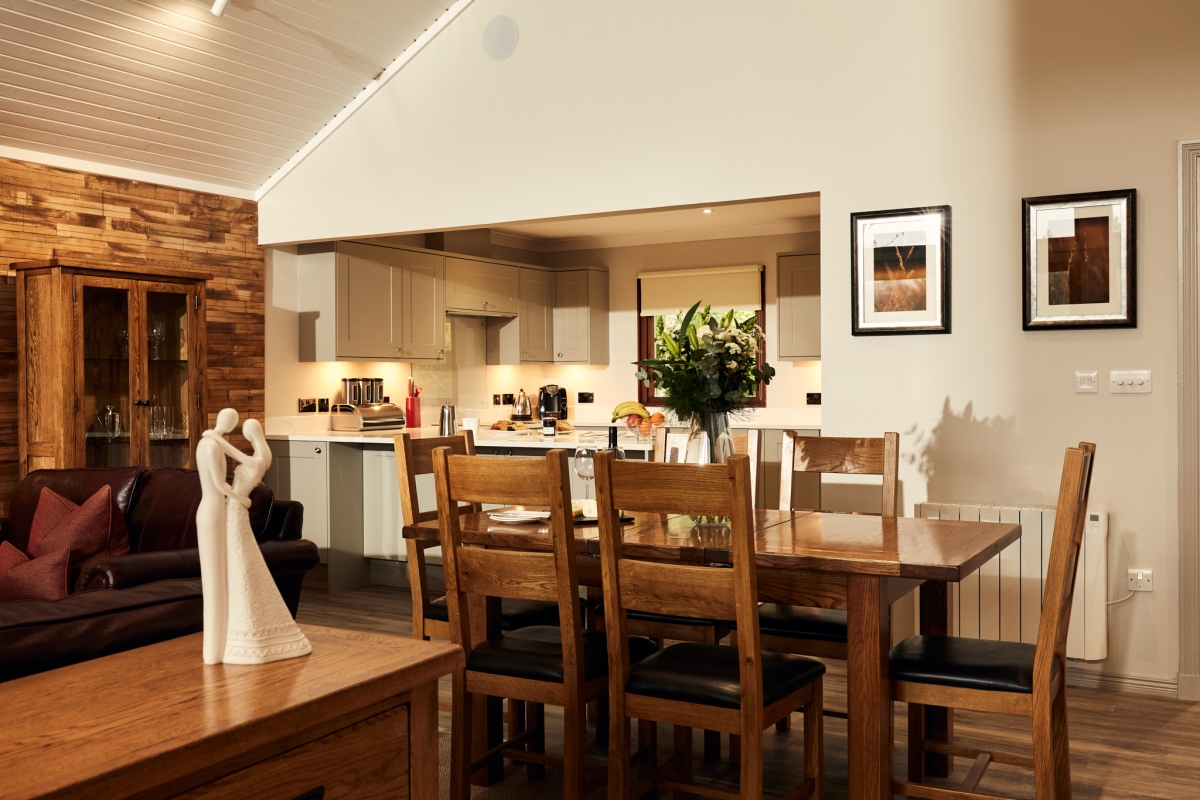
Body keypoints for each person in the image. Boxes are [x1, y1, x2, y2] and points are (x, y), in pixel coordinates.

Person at [204, 416, 311, 664]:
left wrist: (215, 436)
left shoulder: (259, 460)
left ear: (253, 435)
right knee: (238, 556)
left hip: (236, 509)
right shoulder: (260, 457)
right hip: (232, 507)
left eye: (248, 432)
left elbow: (234, 458)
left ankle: (248, 623)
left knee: (240, 556)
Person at [195, 408, 250, 665]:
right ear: (228, 423)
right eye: (234, 422)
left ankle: (216, 650)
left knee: (216, 579)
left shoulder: (206, 441)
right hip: (214, 510)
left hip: (210, 508)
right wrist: (242, 499)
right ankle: (214, 652)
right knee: (215, 580)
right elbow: (218, 484)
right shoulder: (212, 446)